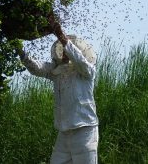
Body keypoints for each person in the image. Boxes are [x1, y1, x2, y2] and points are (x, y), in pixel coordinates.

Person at [18, 16, 99, 164]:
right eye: (62, 51)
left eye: (67, 51)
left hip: (84, 131)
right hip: (64, 132)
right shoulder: (57, 71)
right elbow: (36, 68)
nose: (64, 54)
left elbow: (79, 60)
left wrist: (60, 35)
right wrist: (19, 50)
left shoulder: (86, 71)